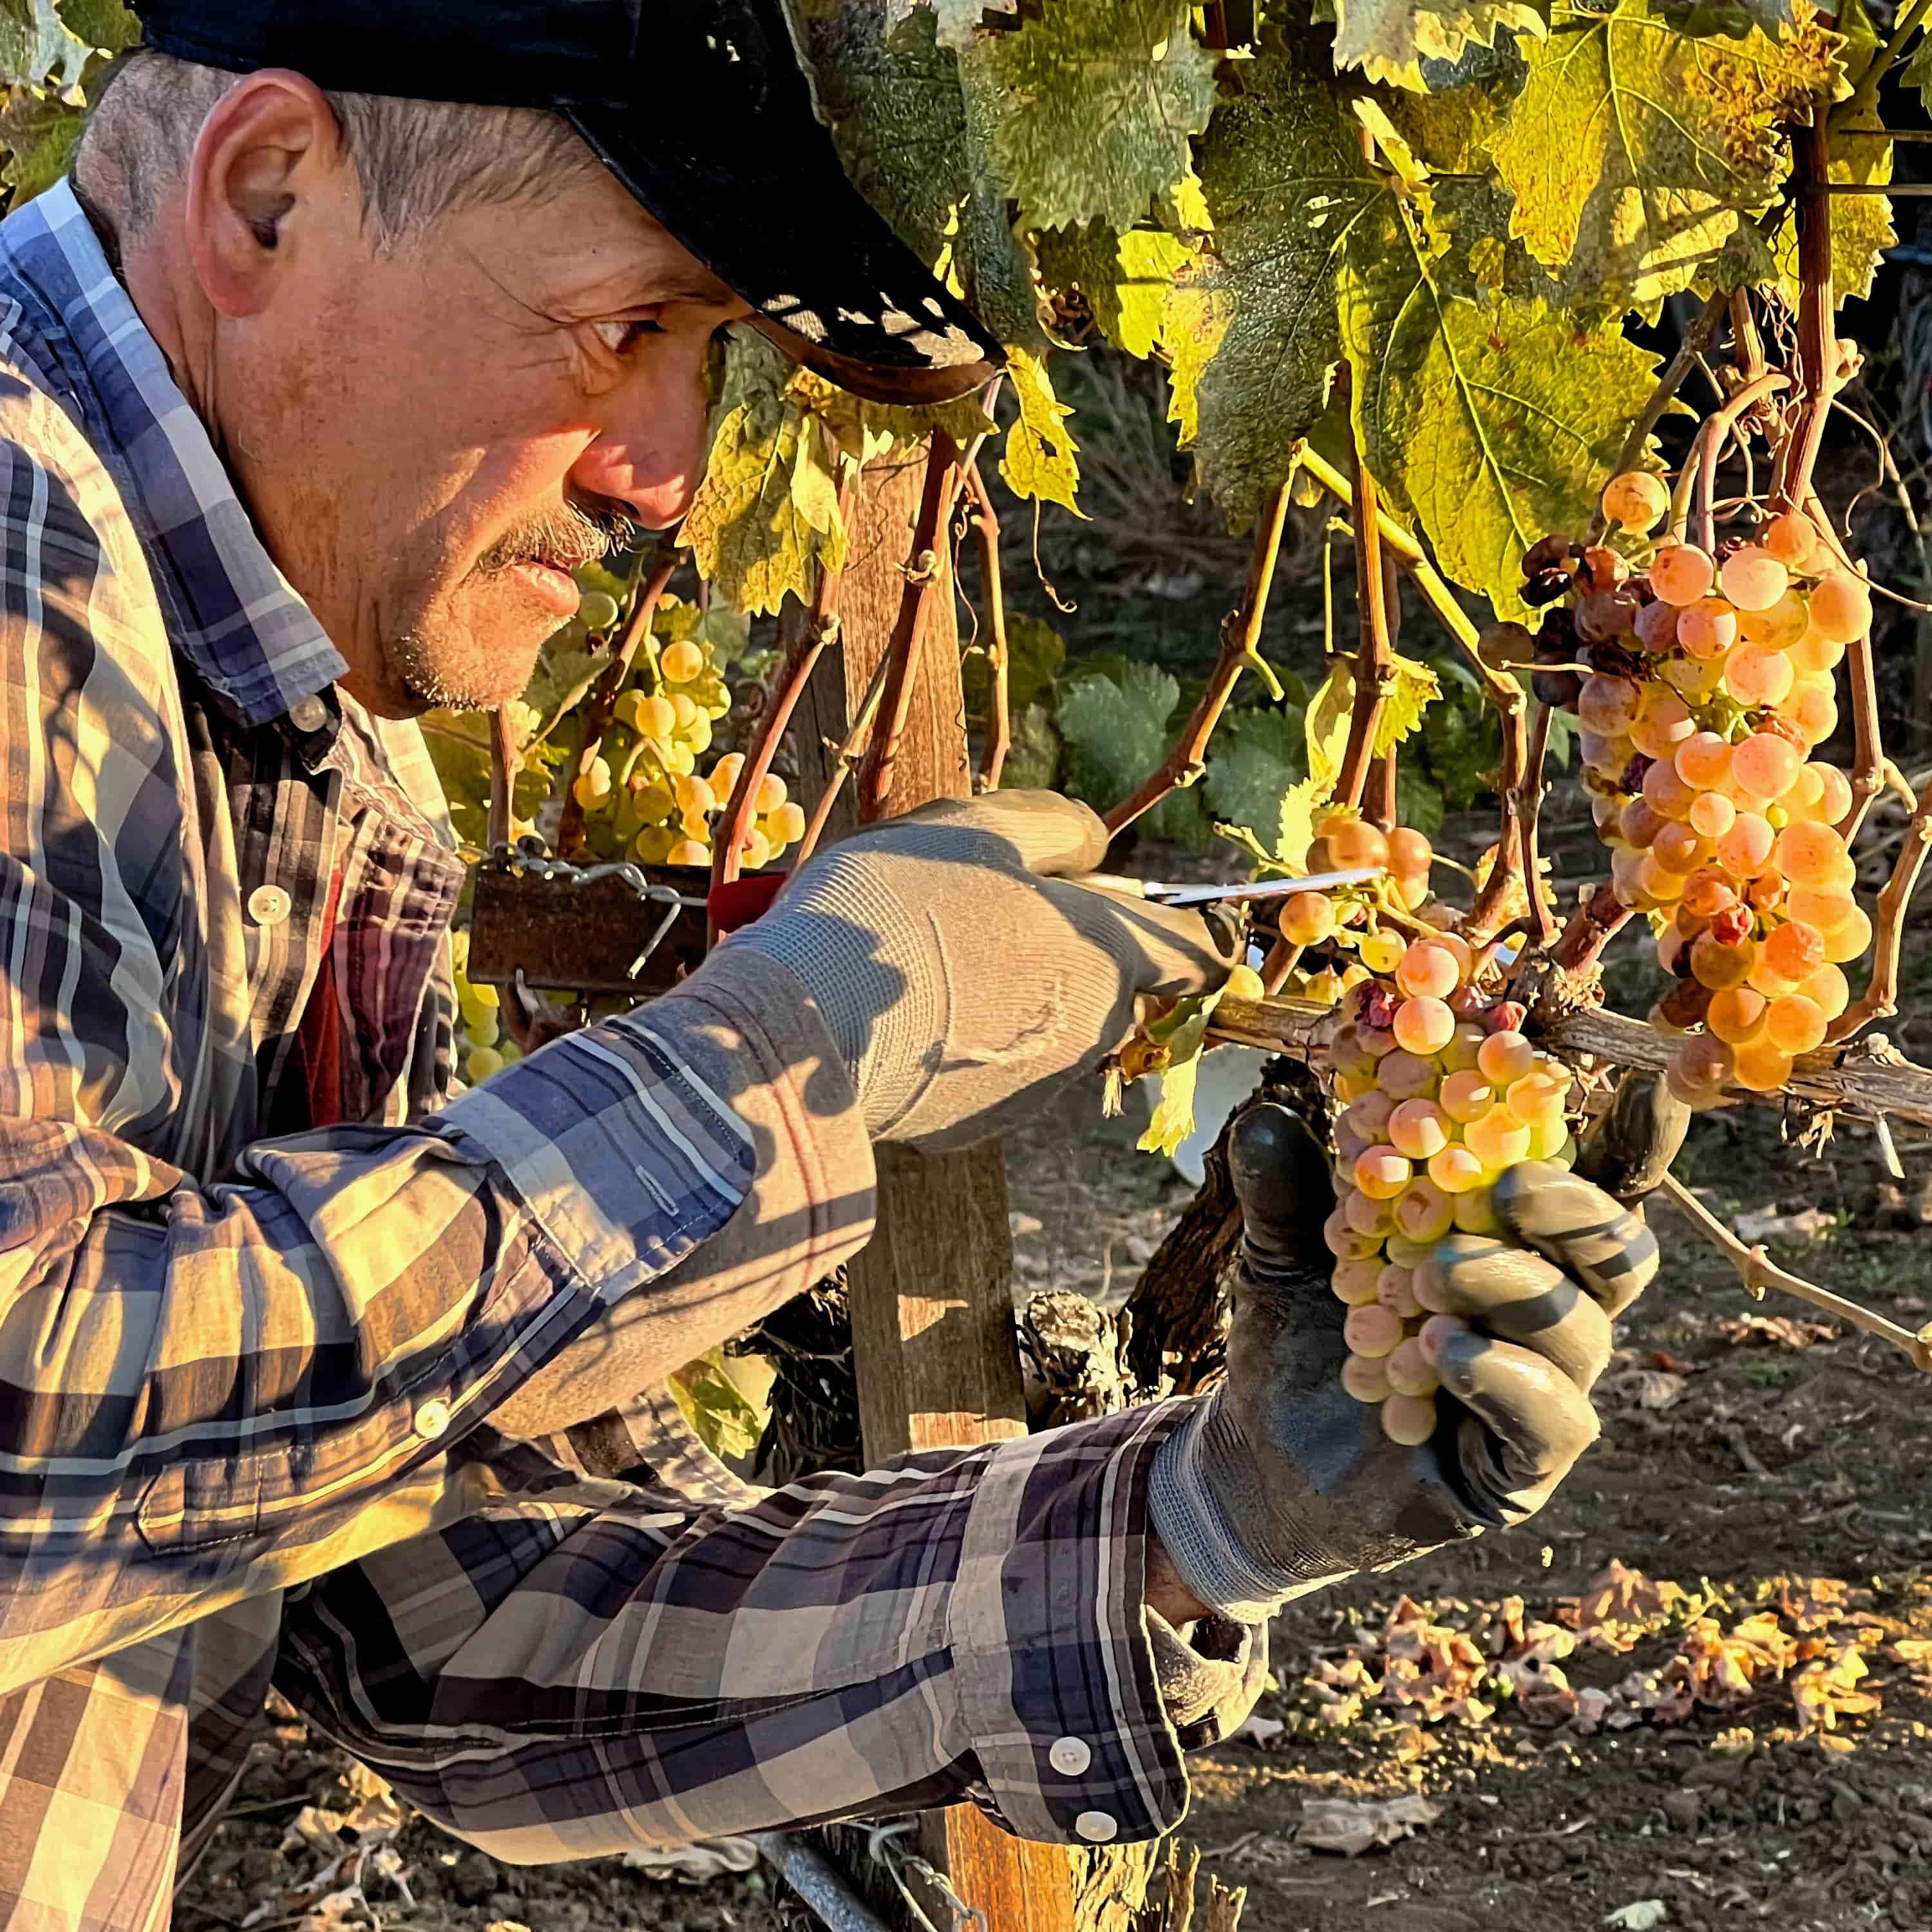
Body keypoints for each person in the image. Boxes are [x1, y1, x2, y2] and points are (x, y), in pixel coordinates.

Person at [0, 3, 1683, 1926]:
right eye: (626, 327)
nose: (669, 474)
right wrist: (777, 1056)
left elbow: (448, 1616)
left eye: (708, 357)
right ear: (269, 192)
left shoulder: (284, 682)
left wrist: (1193, 1524)